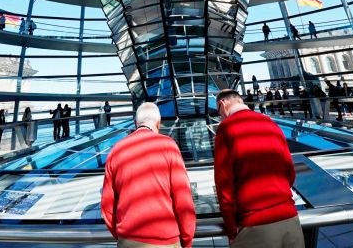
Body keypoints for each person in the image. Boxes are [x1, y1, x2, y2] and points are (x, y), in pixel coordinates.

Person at [213, 89, 303, 248]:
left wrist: (231, 228)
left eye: (219, 111)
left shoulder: (226, 127)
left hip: (255, 223)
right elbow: (289, 171)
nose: (220, 115)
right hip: (290, 219)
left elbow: (224, 183)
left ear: (222, 104)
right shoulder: (270, 122)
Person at [101, 103, 195, 248]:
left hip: (128, 239)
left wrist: (123, 236)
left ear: (135, 123)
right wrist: (187, 240)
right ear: (158, 124)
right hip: (166, 239)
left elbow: (107, 207)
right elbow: (183, 200)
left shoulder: (116, 150)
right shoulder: (168, 145)